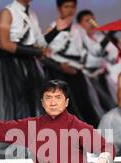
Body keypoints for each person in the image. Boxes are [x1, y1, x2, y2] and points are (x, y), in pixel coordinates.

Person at [0, 0, 67, 158]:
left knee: (30, 105)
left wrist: (56, 30)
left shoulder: (32, 14)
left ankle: (29, 146)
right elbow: (5, 44)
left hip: (29, 66)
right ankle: (7, 147)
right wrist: (35, 53)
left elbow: (39, 44)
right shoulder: (7, 12)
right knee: (10, 105)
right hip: (10, 65)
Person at [43, 0, 102, 128]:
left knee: (84, 105)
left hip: (77, 73)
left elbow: (95, 50)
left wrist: (108, 37)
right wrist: (59, 66)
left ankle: (88, 139)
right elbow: (41, 51)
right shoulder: (52, 28)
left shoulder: (79, 29)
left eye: (72, 7)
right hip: (58, 74)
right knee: (65, 108)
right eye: (66, 6)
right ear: (59, 9)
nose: (70, 10)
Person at [77, 9, 120, 114]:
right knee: (93, 109)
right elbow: (94, 54)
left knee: (111, 106)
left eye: (93, 20)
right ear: (79, 25)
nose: (91, 23)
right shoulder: (77, 40)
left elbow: (112, 59)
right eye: (87, 20)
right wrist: (108, 36)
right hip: (86, 79)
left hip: (102, 79)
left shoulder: (100, 38)